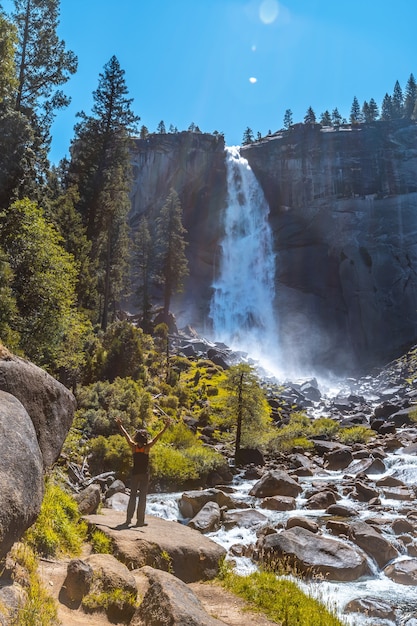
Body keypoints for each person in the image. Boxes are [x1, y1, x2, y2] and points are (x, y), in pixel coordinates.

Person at [115, 416, 171, 527]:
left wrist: (120, 425)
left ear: (136, 437)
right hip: (144, 475)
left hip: (135, 474)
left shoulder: (134, 447)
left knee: (132, 497)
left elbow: (126, 435)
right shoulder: (147, 447)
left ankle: (128, 520)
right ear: (145, 438)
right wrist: (165, 427)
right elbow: (157, 437)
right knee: (142, 498)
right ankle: (140, 521)